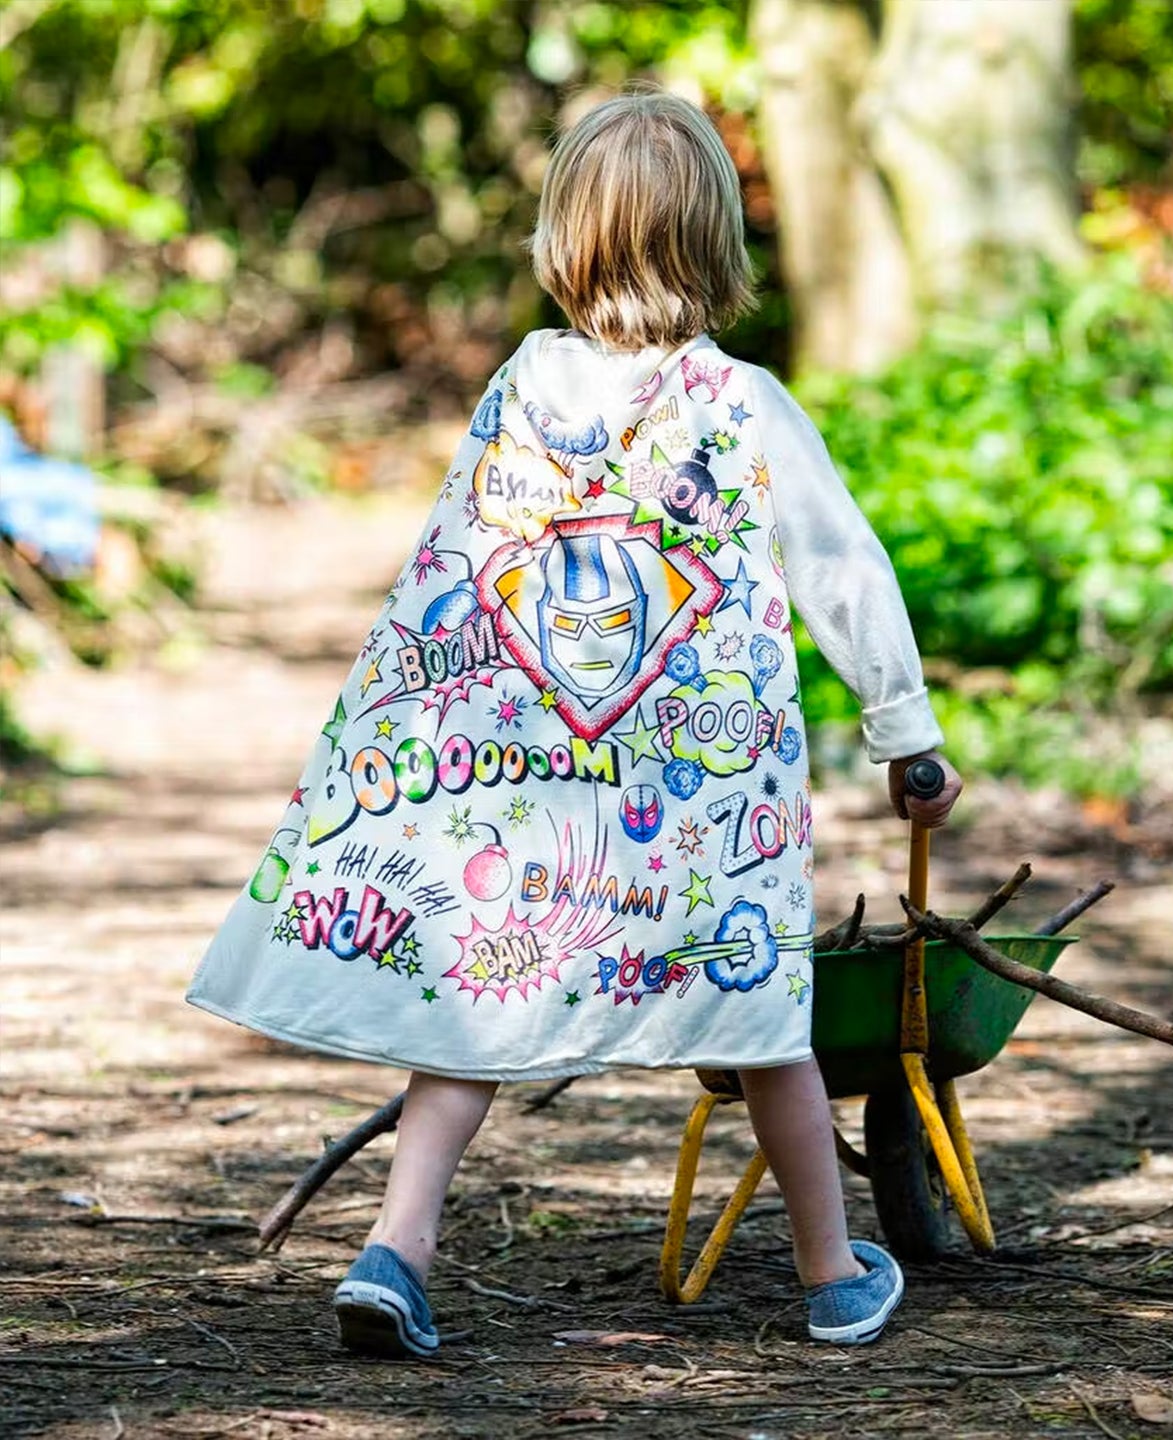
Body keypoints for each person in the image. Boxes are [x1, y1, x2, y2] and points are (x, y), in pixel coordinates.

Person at [187, 90, 962, 1360]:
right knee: (766, 1024)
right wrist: (905, 734)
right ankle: (831, 1275)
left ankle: (396, 1253)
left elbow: (450, 578)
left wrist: (408, 745)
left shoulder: (522, 387)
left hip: (529, 792)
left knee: (472, 1022)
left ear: (565, 240)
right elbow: (844, 571)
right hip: (703, 804)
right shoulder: (743, 403)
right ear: (718, 240)